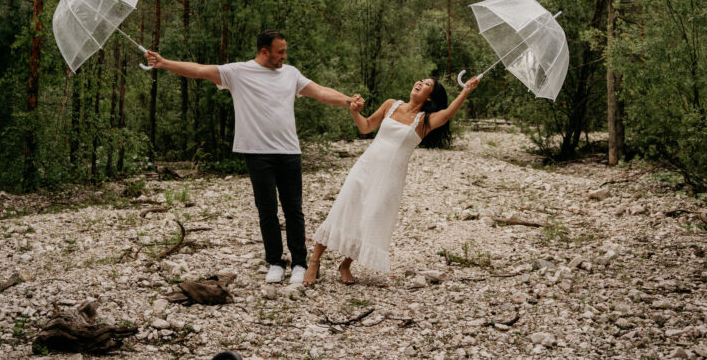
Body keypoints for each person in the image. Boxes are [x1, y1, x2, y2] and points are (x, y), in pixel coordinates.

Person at [144, 30, 358, 285]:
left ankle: (299, 263)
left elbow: (321, 92)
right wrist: (164, 62)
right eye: (280, 51)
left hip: (289, 152)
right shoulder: (238, 72)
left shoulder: (290, 73)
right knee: (266, 209)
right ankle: (275, 263)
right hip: (257, 153)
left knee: (294, 210)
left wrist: (348, 101)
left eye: (285, 51)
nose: (284, 56)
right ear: (264, 51)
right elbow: (199, 70)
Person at [303, 75, 480, 286]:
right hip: (365, 167)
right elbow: (366, 126)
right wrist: (355, 113)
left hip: (390, 178)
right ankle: (314, 261)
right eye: (421, 80)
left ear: (430, 98)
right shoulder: (391, 105)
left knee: (371, 218)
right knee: (343, 208)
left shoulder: (425, 122)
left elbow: (448, 113)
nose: (420, 83)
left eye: (427, 84)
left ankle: (346, 264)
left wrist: (466, 91)